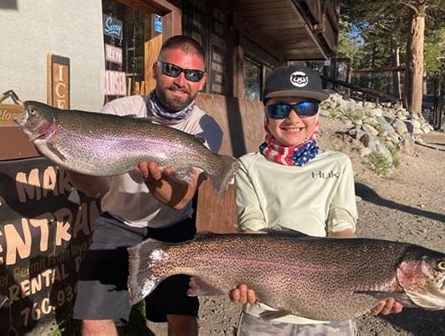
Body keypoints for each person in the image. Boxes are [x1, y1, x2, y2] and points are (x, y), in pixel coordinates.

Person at [229, 65, 403, 335]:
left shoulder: (338, 163)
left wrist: (376, 283)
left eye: (306, 107)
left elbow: (342, 228)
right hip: (265, 304)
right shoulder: (248, 166)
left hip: (331, 306)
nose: (293, 118)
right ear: (266, 114)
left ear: (318, 113)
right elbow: (252, 229)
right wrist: (248, 278)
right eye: (279, 109)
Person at [70, 35, 223, 336]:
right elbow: (93, 188)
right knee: (93, 316)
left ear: (202, 80)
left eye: (192, 74)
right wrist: (68, 158)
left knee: (181, 317)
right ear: (155, 69)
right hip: (117, 221)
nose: (181, 80)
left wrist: (156, 185)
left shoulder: (206, 129)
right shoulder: (117, 112)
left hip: (174, 227)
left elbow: (181, 200)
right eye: (172, 69)